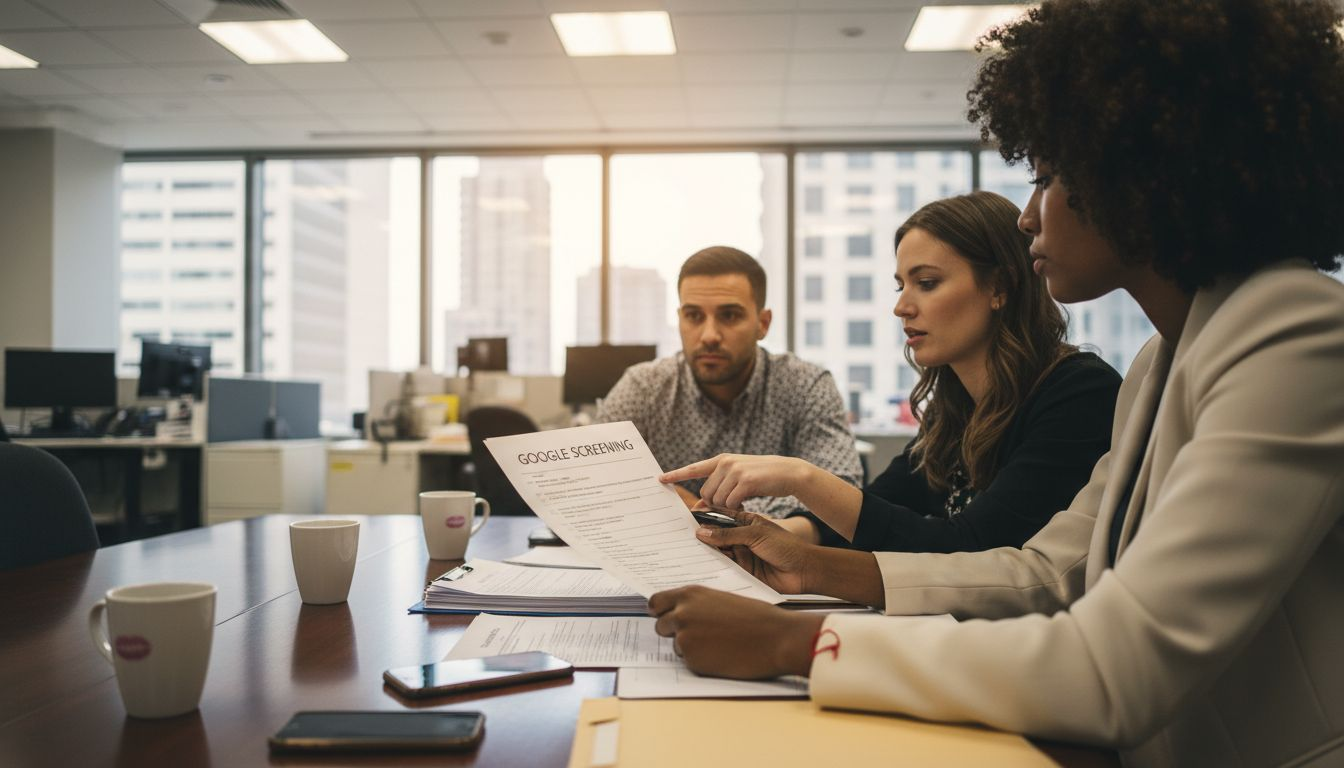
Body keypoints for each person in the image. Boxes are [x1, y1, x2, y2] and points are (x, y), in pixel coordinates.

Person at [647, 1, 1344, 766]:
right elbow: (1045, 575)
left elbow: (1115, 666)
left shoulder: (1295, 331)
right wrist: (813, 567)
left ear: (1141, 171)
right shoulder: (1159, 361)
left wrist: (799, 642)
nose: (1027, 217)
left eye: (1046, 177)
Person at [662, 192, 1121, 553]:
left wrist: (801, 477)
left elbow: (972, 548)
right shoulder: (955, 408)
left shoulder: (1078, 394)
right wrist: (764, 532)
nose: (901, 306)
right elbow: (883, 510)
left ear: (999, 287)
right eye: (901, 285)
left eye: (927, 283)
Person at [596, 246, 862, 518]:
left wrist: (702, 512)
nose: (709, 335)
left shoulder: (805, 386)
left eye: (729, 315)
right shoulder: (643, 387)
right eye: (694, 316)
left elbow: (843, 492)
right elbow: (592, 479)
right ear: (680, 319)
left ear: (763, 323)